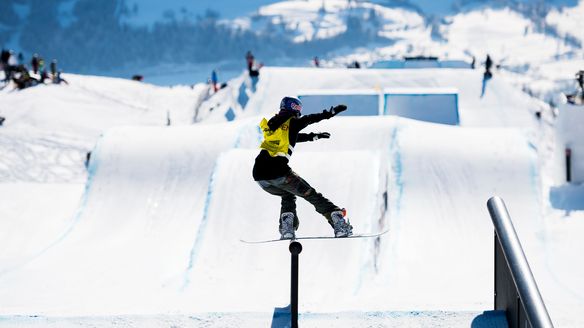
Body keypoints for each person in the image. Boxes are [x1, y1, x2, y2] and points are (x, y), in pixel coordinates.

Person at [252, 96, 353, 239]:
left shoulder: (273, 125)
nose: (299, 112)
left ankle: (287, 228)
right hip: (279, 172)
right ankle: (337, 221)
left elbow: (292, 136)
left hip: (260, 176)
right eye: (298, 109)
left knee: (287, 195)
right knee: (311, 194)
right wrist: (328, 114)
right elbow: (309, 119)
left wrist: (313, 137)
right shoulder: (292, 121)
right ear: (293, 109)